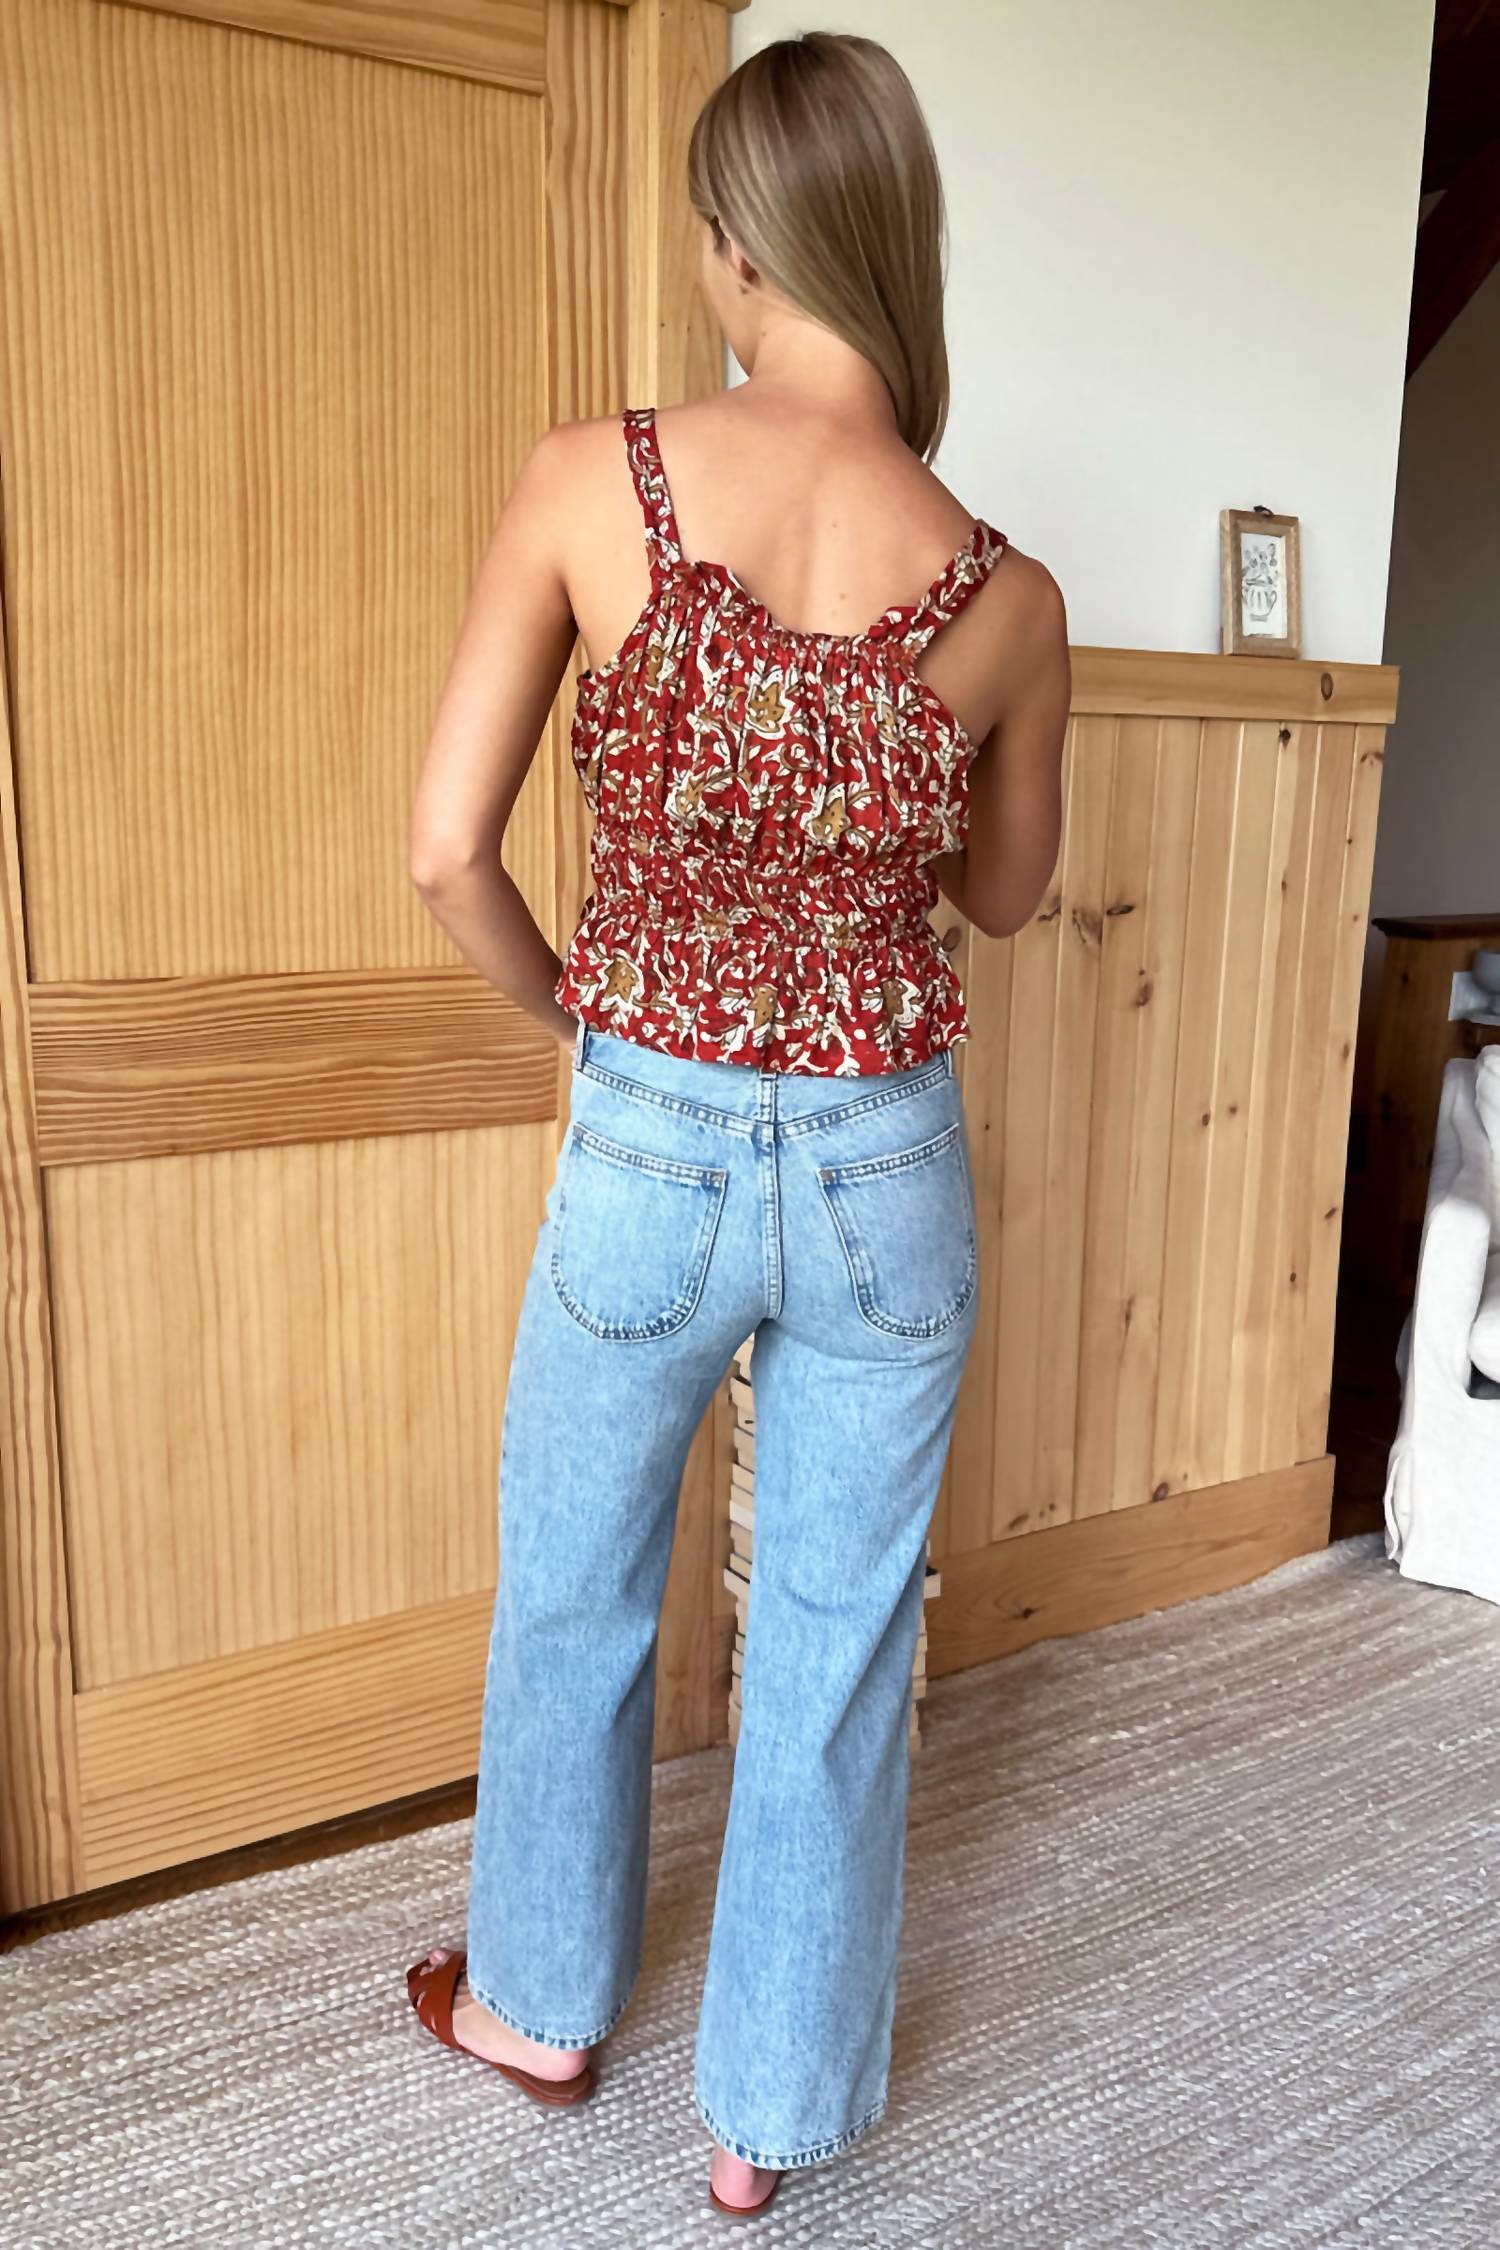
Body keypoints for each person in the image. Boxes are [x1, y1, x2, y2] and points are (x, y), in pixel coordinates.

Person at [402, 27, 1069, 2223]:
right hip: (886, 1162)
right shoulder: (1009, 595)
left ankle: (537, 2005)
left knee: (575, 1587)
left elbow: (446, 852)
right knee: (837, 1643)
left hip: (651, 1131)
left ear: (739, 246)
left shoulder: (589, 482)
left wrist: (588, 1017)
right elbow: (1004, 897)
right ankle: (764, 2123)